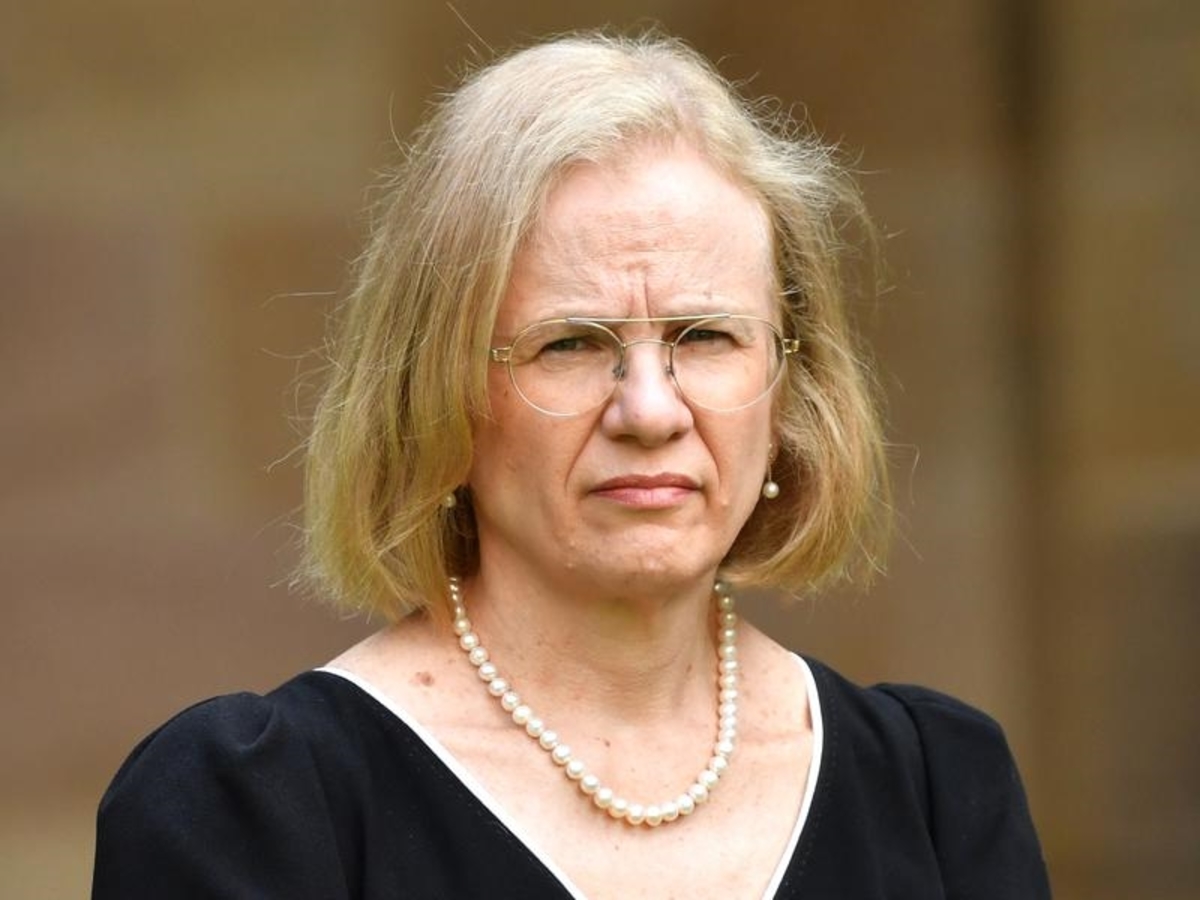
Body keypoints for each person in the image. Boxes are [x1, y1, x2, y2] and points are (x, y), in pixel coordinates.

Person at [93, 31, 1051, 899]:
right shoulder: (253, 809)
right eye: (571, 343)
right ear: (439, 391)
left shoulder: (938, 789)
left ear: (788, 388)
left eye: (706, 336)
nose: (650, 411)